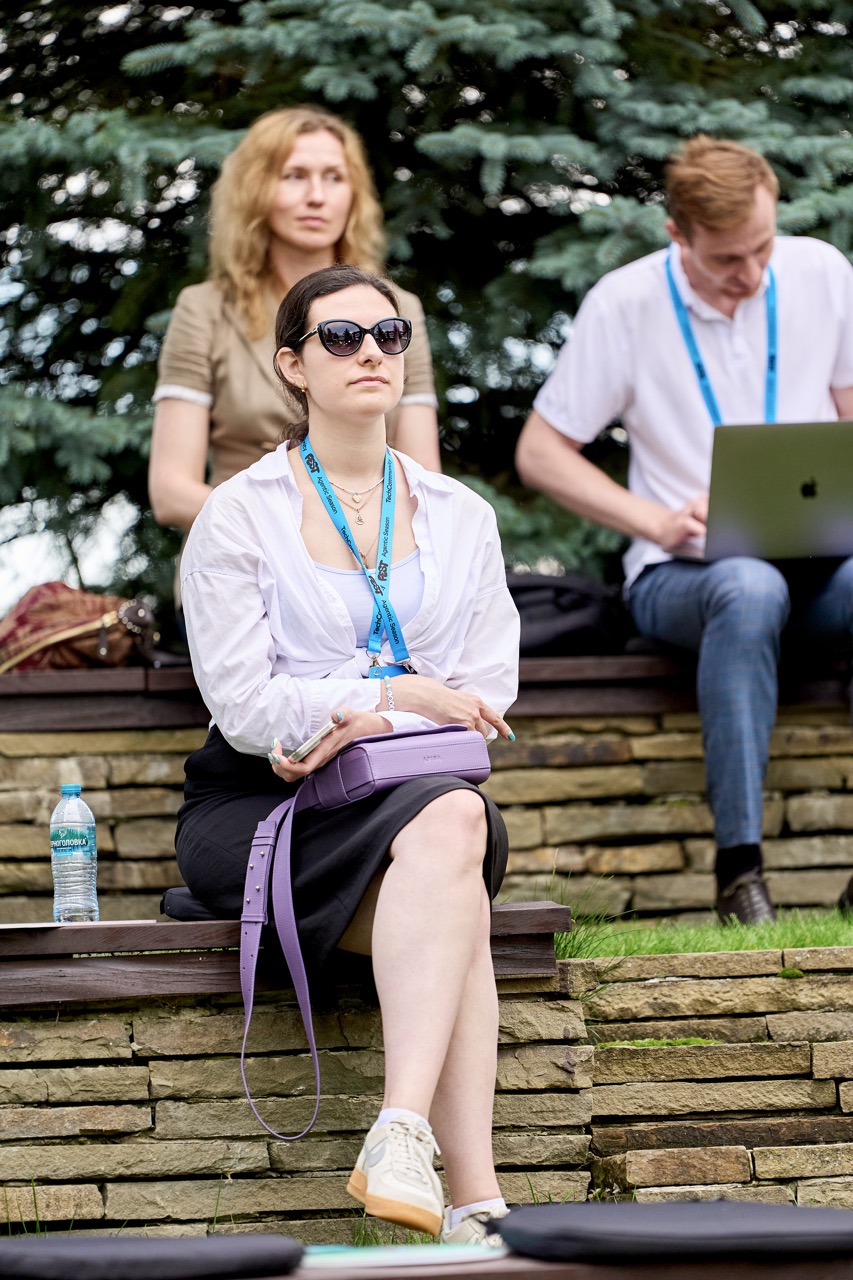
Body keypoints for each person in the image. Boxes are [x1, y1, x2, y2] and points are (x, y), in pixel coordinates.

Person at [176, 264, 520, 1243]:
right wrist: (387, 695)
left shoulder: (460, 515)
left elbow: (483, 692)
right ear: (293, 364)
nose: (371, 351)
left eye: (388, 334)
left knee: (450, 821)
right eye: (340, 336)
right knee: (455, 884)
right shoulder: (238, 512)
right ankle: (474, 1199)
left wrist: (366, 719)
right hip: (261, 802)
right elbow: (245, 705)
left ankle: (402, 1131)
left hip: (412, 791)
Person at [515, 135, 853, 925]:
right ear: (677, 235)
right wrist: (657, 522)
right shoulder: (624, 303)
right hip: (683, 576)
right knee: (747, 585)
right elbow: (539, 452)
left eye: (762, 247)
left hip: (816, 568)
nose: (752, 273)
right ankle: (740, 876)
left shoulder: (822, 273)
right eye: (728, 258)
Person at [149, 105, 441, 541]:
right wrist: (298, 536)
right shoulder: (204, 309)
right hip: (242, 557)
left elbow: (425, 481)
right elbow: (171, 492)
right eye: (295, 176)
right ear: (255, 189)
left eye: (334, 177)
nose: (317, 196)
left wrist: (346, 545)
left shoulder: (399, 310)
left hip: (374, 560)